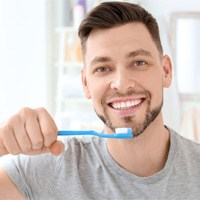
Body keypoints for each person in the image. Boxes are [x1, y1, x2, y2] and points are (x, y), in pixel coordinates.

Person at [0, 1, 200, 199]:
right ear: (86, 83)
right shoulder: (49, 168)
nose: (121, 84)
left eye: (139, 62)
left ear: (166, 71)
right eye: (103, 68)